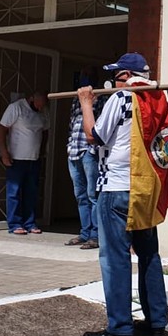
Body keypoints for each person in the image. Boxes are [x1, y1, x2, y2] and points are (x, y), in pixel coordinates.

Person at [77, 52, 168, 336]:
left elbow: (94, 136)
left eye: (116, 75)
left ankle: (120, 329)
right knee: (149, 255)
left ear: (126, 75)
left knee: (115, 259)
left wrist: (86, 103)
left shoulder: (123, 97)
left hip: (116, 187)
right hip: (147, 188)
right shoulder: (160, 98)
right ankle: (157, 322)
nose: (113, 81)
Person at [0, 90, 49, 235]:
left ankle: (30, 222)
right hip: (17, 158)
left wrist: (43, 150)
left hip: (34, 158)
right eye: (38, 105)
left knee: (31, 192)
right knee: (14, 192)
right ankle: (14, 224)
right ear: (31, 98)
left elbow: (45, 131)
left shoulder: (43, 111)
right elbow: (2, 129)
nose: (39, 109)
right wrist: (4, 152)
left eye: (42, 106)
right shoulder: (16, 108)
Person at [65, 72, 100, 250]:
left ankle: (95, 235)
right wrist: (69, 144)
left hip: (89, 150)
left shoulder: (100, 100)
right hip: (74, 150)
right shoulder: (75, 101)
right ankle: (85, 232)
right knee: (80, 195)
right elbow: (72, 123)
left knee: (93, 194)